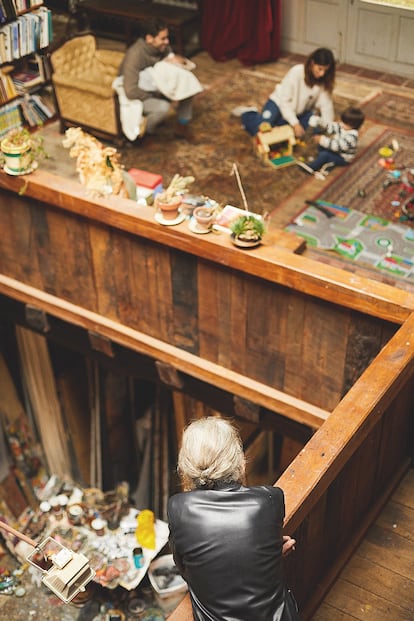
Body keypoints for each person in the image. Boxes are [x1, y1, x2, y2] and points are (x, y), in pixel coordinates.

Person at [167, 417, 300, 621]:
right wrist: (268, 554)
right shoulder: (270, 499)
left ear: (186, 465)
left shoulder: (178, 508)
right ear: (239, 459)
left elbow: (185, 568)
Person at [118, 18, 197, 139]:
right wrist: (156, 94)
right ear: (149, 38)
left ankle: (182, 125)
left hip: (157, 86)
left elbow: (170, 60)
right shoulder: (134, 56)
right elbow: (130, 91)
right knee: (163, 107)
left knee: (187, 86)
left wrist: (176, 61)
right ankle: (145, 132)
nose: (167, 41)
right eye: (163, 38)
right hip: (139, 95)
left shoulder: (162, 47)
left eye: (167, 37)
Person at [234, 48, 336, 138]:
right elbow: (284, 102)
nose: (322, 74)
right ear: (312, 64)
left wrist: (329, 127)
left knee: (314, 129)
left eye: (326, 70)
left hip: (299, 112)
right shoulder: (296, 72)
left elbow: (327, 107)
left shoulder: (324, 81)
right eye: (320, 69)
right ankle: (249, 113)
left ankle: (280, 124)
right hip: (278, 104)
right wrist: (295, 124)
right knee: (262, 131)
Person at [306, 106, 365, 172]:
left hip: (343, 158)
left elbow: (337, 146)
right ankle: (321, 159)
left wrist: (322, 140)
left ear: (353, 126)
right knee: (321, 147)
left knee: (325, 155)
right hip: (336, 151)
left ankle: (312, 168)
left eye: (344, 123)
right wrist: (320, 122)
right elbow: (331, 127)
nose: (341, 123)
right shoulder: (343, 127)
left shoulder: (351, 137)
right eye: (342, 121)